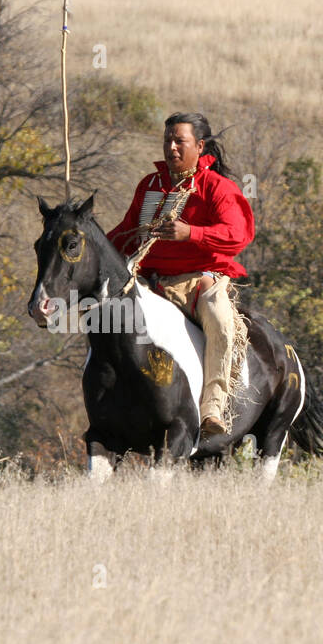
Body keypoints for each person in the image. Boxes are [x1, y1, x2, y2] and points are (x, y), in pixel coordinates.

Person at [105, 112, 255, 437]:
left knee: (220, 323)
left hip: (199, 283)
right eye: (167, 140)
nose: (171, 147)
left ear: (199, 146)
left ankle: (212, 409)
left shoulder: (218, 188)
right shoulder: (150, 185)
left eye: (179, 141)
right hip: (150, 282)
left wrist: (192, 234)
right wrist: (91, 246)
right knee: (107, 321)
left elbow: (238, 234)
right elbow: (127, 231)